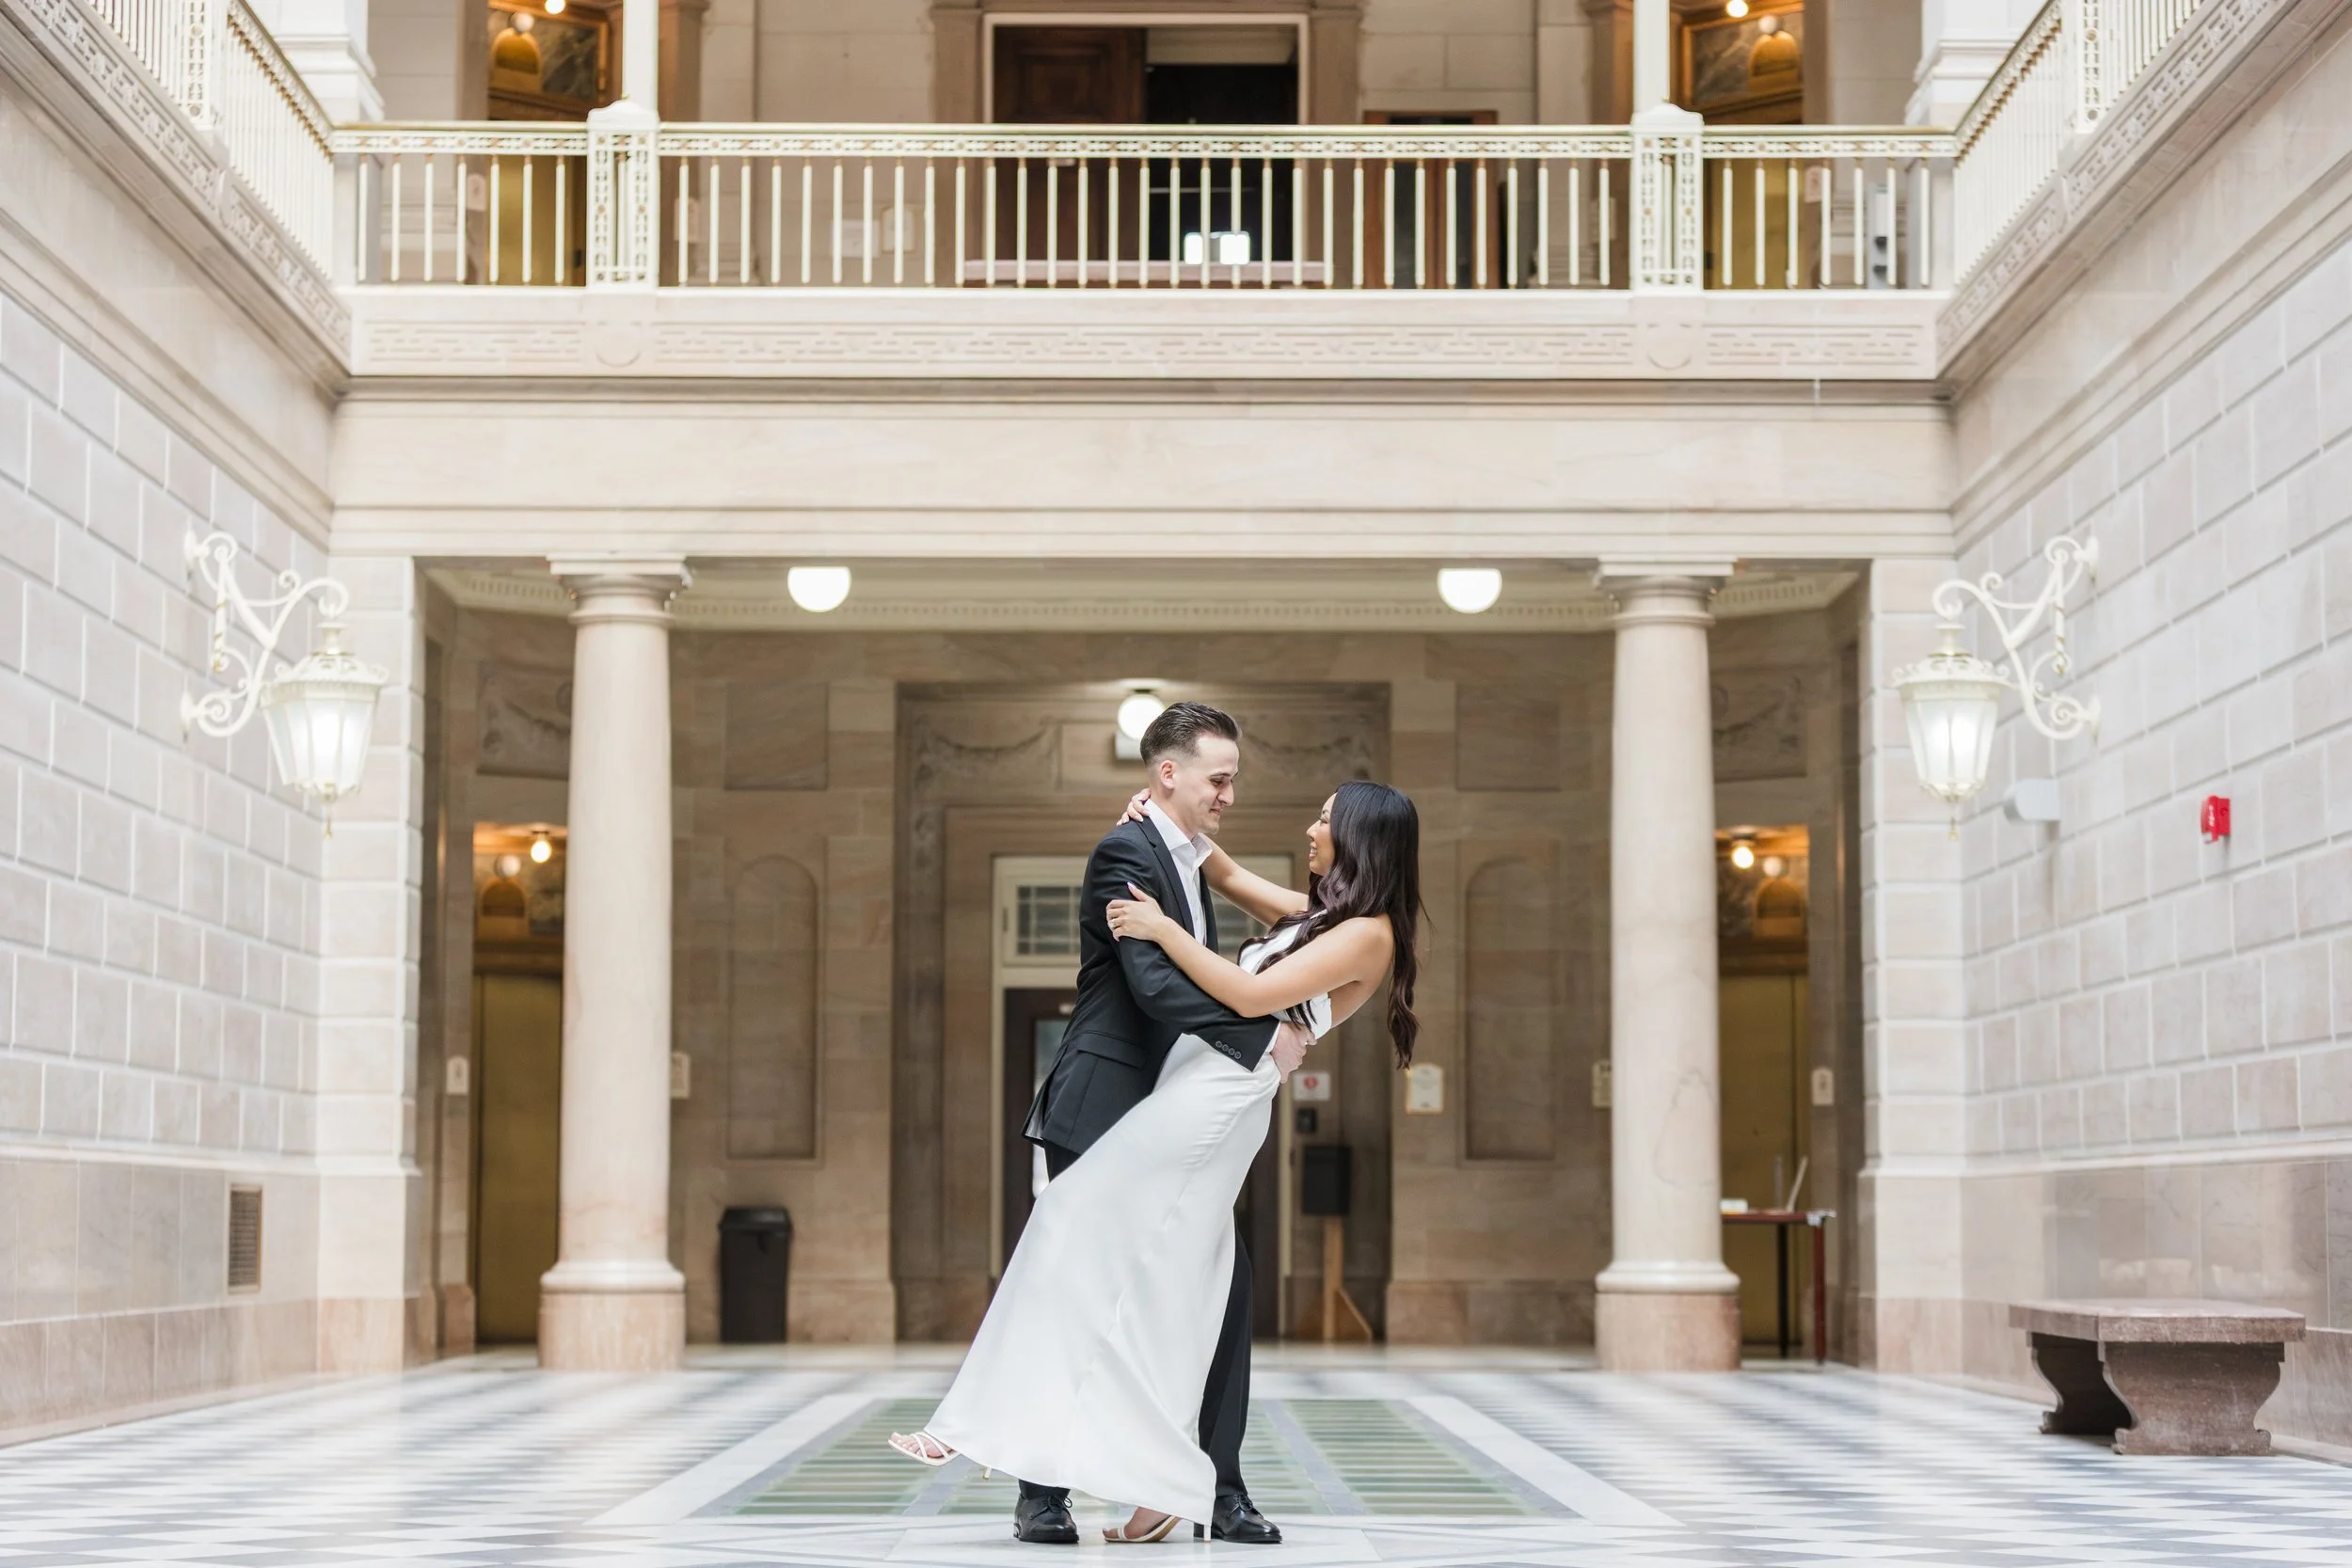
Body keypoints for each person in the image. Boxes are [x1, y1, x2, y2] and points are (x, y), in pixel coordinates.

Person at [889, 726, 1422, 1545]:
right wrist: (1185, 839)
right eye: (1220, 779)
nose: (1308, 827)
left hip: (1214, 1090)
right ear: (1172, 774)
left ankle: (1131, 1465)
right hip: (1185, 1084)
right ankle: (1148, 1479)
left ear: (1359, 839)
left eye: (1324, 818)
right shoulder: (1325, 913)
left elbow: (1248, 996)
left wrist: (1167, 928)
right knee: (1177, 1280)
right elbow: (1239, 879)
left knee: (1101, 1246)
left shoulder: (1363, 932)